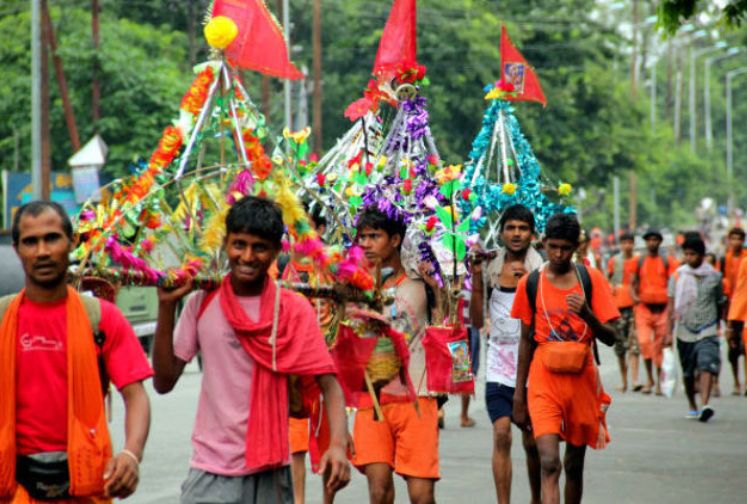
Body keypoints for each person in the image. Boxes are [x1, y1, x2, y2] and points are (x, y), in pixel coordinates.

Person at [152, 196, 350, 504]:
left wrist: (337, 445)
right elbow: (163, 383)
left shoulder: (293, 309)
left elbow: (330, 385)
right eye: (238, 244)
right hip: (210, 470)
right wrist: (166, 308)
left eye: (259, 247)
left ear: (275, 251)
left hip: (272, 473)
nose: (247, 256)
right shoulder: (202, 303)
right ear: (226, 244)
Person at [0, 201, 152, 502]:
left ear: (71, 242)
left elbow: (136, 396)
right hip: (13, 488)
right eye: (31, 241)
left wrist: (131, 454)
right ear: (17, 249)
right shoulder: (3, 319)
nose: (42, 251)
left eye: (52, 238)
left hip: (86, 486)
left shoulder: (101, 318)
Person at [512, 213, 619, 504]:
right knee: (549, 463)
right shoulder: (531, 283)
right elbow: (525, 340)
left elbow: (611, 337)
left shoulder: (590, 279)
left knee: (573, 465)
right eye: (553, 246)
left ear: (577, 247)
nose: (559, 254)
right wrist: (519, 395)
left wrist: (588, 316)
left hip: (582, 380)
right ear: (544, 242)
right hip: (544, 381)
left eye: (566, 248)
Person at [352, 208, 437, 504]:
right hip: (372, 398)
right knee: (379, 492)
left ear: (395, 240)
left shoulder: (421, 284)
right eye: (361, 237)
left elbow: (447, 327)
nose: (365, 243)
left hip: (418, 397)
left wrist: (441, 289)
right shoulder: (354, 287)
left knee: (421, 495)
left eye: (374, 236)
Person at [469, 204, 543, 504]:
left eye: (522, 228)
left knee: (532, 442)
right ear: (501, 233)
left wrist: (529, 282)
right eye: (510, 228)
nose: (516, 234)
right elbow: (476, 320)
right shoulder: (489, 267)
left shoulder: (542, 270)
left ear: (532, 234)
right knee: (501, 434)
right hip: (498, 367)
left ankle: (538, 497)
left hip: (534, 367)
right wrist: (475, 279)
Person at [666, 236, 725, 421]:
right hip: (685, 329)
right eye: (687, 254)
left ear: (702, 255)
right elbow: (671, 306)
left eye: (693, 254)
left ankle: (705, 404)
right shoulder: (677, 276)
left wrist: (722, 323)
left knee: (706, 363)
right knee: (688, 372)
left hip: (707, 328)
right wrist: (668, 332)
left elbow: (720, 301)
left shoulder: (714, 276)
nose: (689, 258)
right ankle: (692, 404)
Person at [631, 228, 678, 395]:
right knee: (644, 343)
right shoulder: (639, 261)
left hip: (663, 309)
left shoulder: (668, 261)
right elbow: (633, 281)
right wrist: (634, 296)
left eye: (655, 239)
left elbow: (674, 283)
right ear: (646, 242)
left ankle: (658, 382)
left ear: (660, 242)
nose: (652, 242)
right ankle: (649, 378)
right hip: (643, 308)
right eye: (649, 239)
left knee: (659, 346)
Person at [607, 232, 641, 392]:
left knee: (634, 345)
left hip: (634, 305)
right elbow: (609, 279)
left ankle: (634, 380)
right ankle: (624, 381)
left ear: (633, 244)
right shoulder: (614, 261)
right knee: (620, 346)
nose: (627, 245)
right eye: (624, 243)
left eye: (630, 242)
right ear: (621, 244)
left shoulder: (639, 260)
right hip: (618, 306)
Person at [719, 227, 747, 395]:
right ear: (729, 240)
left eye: (739, 239)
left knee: (745, 345)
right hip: (729, 307)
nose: (736, 242)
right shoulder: (724, 259)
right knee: (733, 346)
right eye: (733, 238)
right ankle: (736, 381)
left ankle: (745, 382)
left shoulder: (745, 258)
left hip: (744, 305)